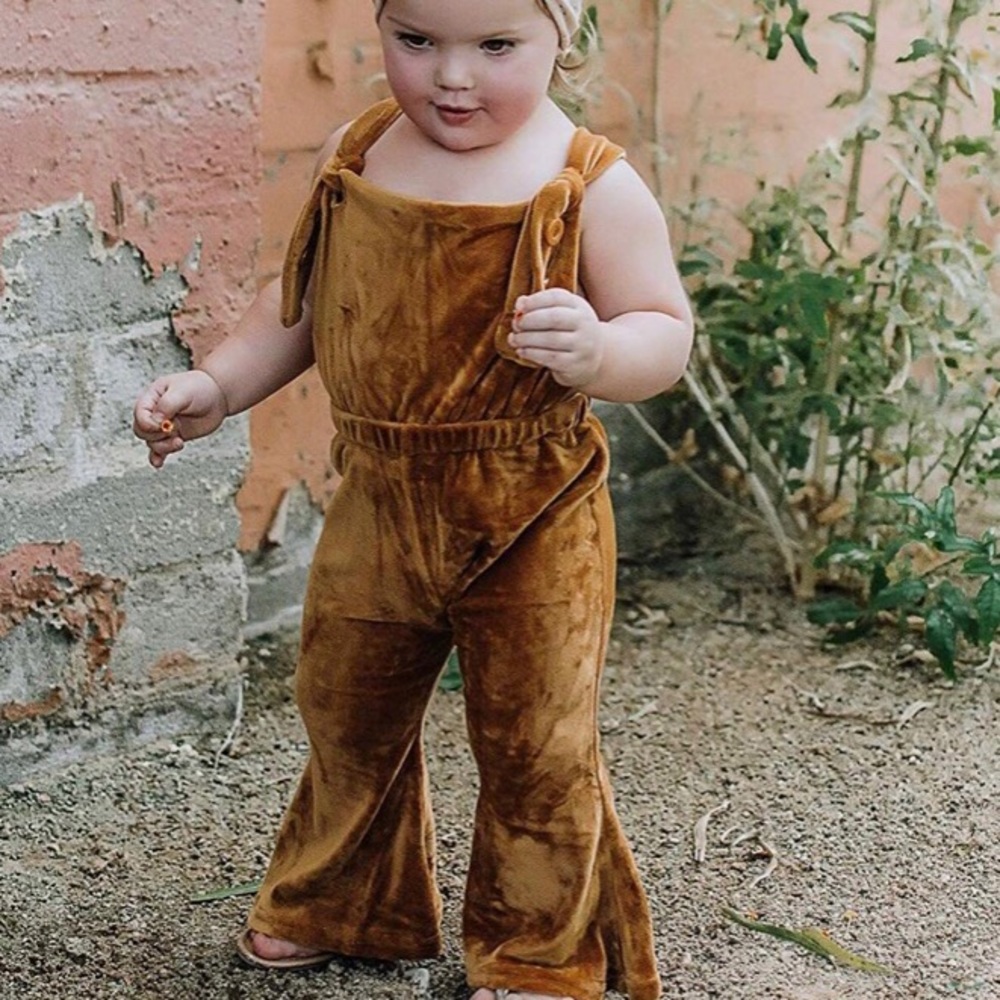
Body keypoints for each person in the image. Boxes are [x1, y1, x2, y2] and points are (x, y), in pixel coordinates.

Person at [133, 0, 693, 997]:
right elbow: (292, 305)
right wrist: (216, 386)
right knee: (345, 709)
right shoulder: (359, 155)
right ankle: (351, 902)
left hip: (532, 507)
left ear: (564, 38)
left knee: (534, 738)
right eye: (417, 40)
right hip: (379, 499)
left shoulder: (588, 184)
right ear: (381, 27)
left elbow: (664, 329)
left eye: (495, 46)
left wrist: (604, 350)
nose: (452, 77)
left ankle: (536, 951)